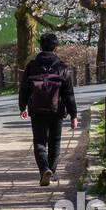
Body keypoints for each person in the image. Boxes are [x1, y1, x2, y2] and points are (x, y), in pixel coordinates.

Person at [18, 32, 79, 186]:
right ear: (56, 47)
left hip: (37, 110)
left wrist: (22, 106)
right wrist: (73, 115)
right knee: (55, 142)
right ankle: (50, 170)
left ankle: (44, 168)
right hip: (56, 110)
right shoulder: (62, 68)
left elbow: (24, 89)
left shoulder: (32, 66)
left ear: (40, 47)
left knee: (39, 142)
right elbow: (69, 94)